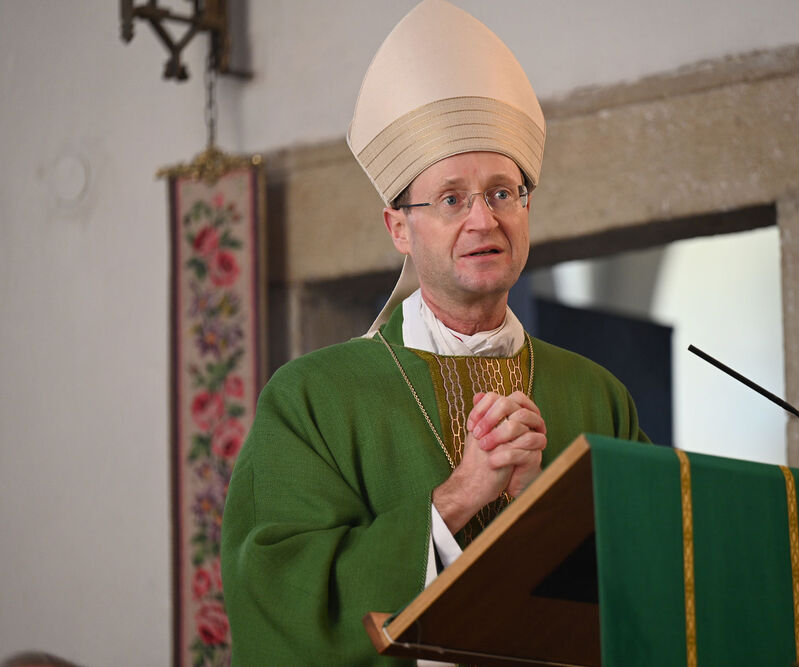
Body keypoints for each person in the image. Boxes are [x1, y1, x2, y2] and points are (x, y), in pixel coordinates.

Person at [221, 1, 648, 664]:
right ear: (399, 228)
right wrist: (458, 497)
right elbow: (277, 602)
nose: (484, 220)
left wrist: (542, 501)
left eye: (503, 193)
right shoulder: (313, 399)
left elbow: (653, 589)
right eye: (452, 199)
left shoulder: (597, 396)